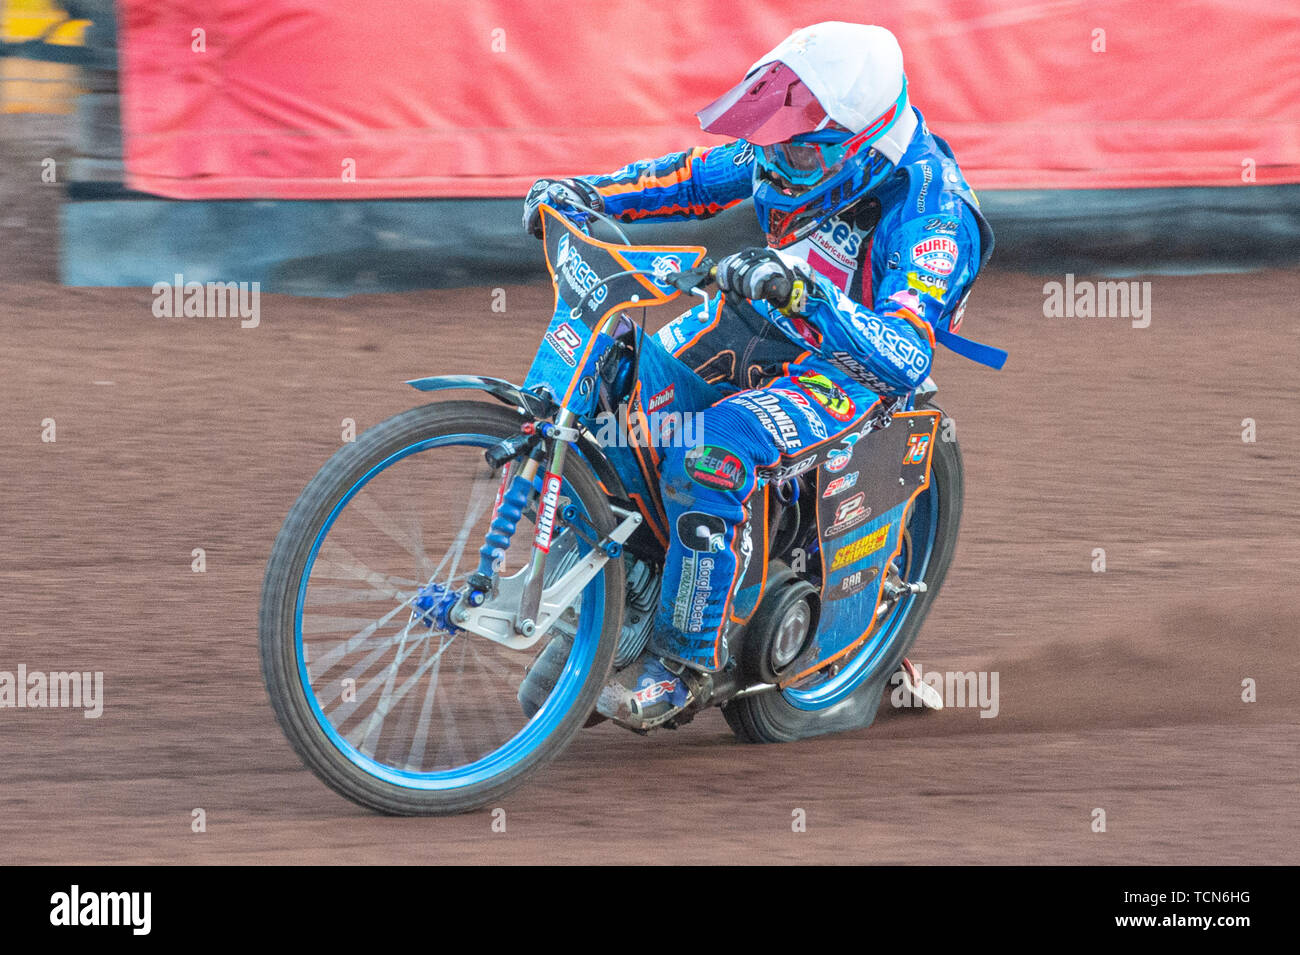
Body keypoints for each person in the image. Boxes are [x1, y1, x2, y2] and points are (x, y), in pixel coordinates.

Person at [521, 22, 999, 730]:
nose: (772, 167)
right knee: (609, 380)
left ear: (858, 146)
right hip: (761, 315)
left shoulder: (934, 212)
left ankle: (685, 662)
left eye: (795, 150)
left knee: (712, 447)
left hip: (852, 366)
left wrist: (803, 294)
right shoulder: (797, 149)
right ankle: (635, 583)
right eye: (770, 144)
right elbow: (685, 178)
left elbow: (906, 352)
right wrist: (582, 194)